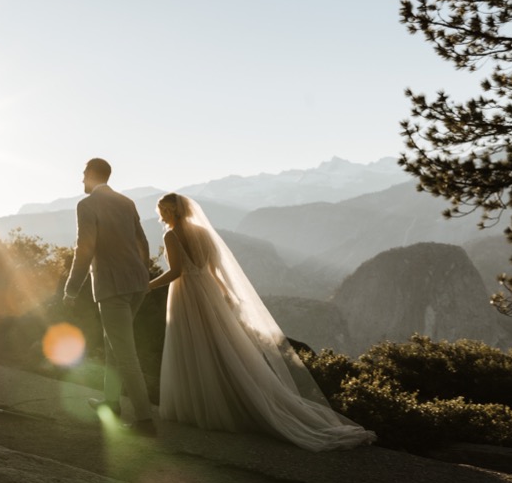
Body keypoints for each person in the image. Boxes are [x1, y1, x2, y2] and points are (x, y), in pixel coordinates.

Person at [148, 192, 375, 451]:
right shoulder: (203, 233)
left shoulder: (171, 235)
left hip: (187, 294)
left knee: (192, 346)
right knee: (221, 347)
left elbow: (176, 272)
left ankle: (202, 405)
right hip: (209, 293)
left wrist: (148, 285)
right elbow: (213, 270)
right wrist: (225, 294)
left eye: (162, 210)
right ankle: (232, 401)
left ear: (171, 211)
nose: (161, 215)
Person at [64, 158, 157, 437]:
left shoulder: (87, 205)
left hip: (113, 287)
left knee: (125, 353)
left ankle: (144, 421)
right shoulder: (126, 202)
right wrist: (142, 273)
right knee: (114, 345)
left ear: (92, 175)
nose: (81, 180)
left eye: (83, 175)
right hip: (137, 285)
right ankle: (112, 403)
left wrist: (71, 288)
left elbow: (84, 248)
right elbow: (143, 242)